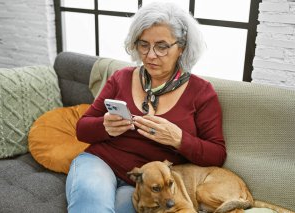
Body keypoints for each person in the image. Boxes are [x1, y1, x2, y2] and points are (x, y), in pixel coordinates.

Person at [66, 2, 226, 213]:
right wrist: (105, 126)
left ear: (182, 47)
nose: (150, 55)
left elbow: (217, 154)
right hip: (100, 163)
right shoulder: (121, 78)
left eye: (161, 46)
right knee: (92, 199)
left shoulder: (201, 92)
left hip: (148, 184)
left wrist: (178, 139)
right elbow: (82, 128)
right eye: (143, 44)